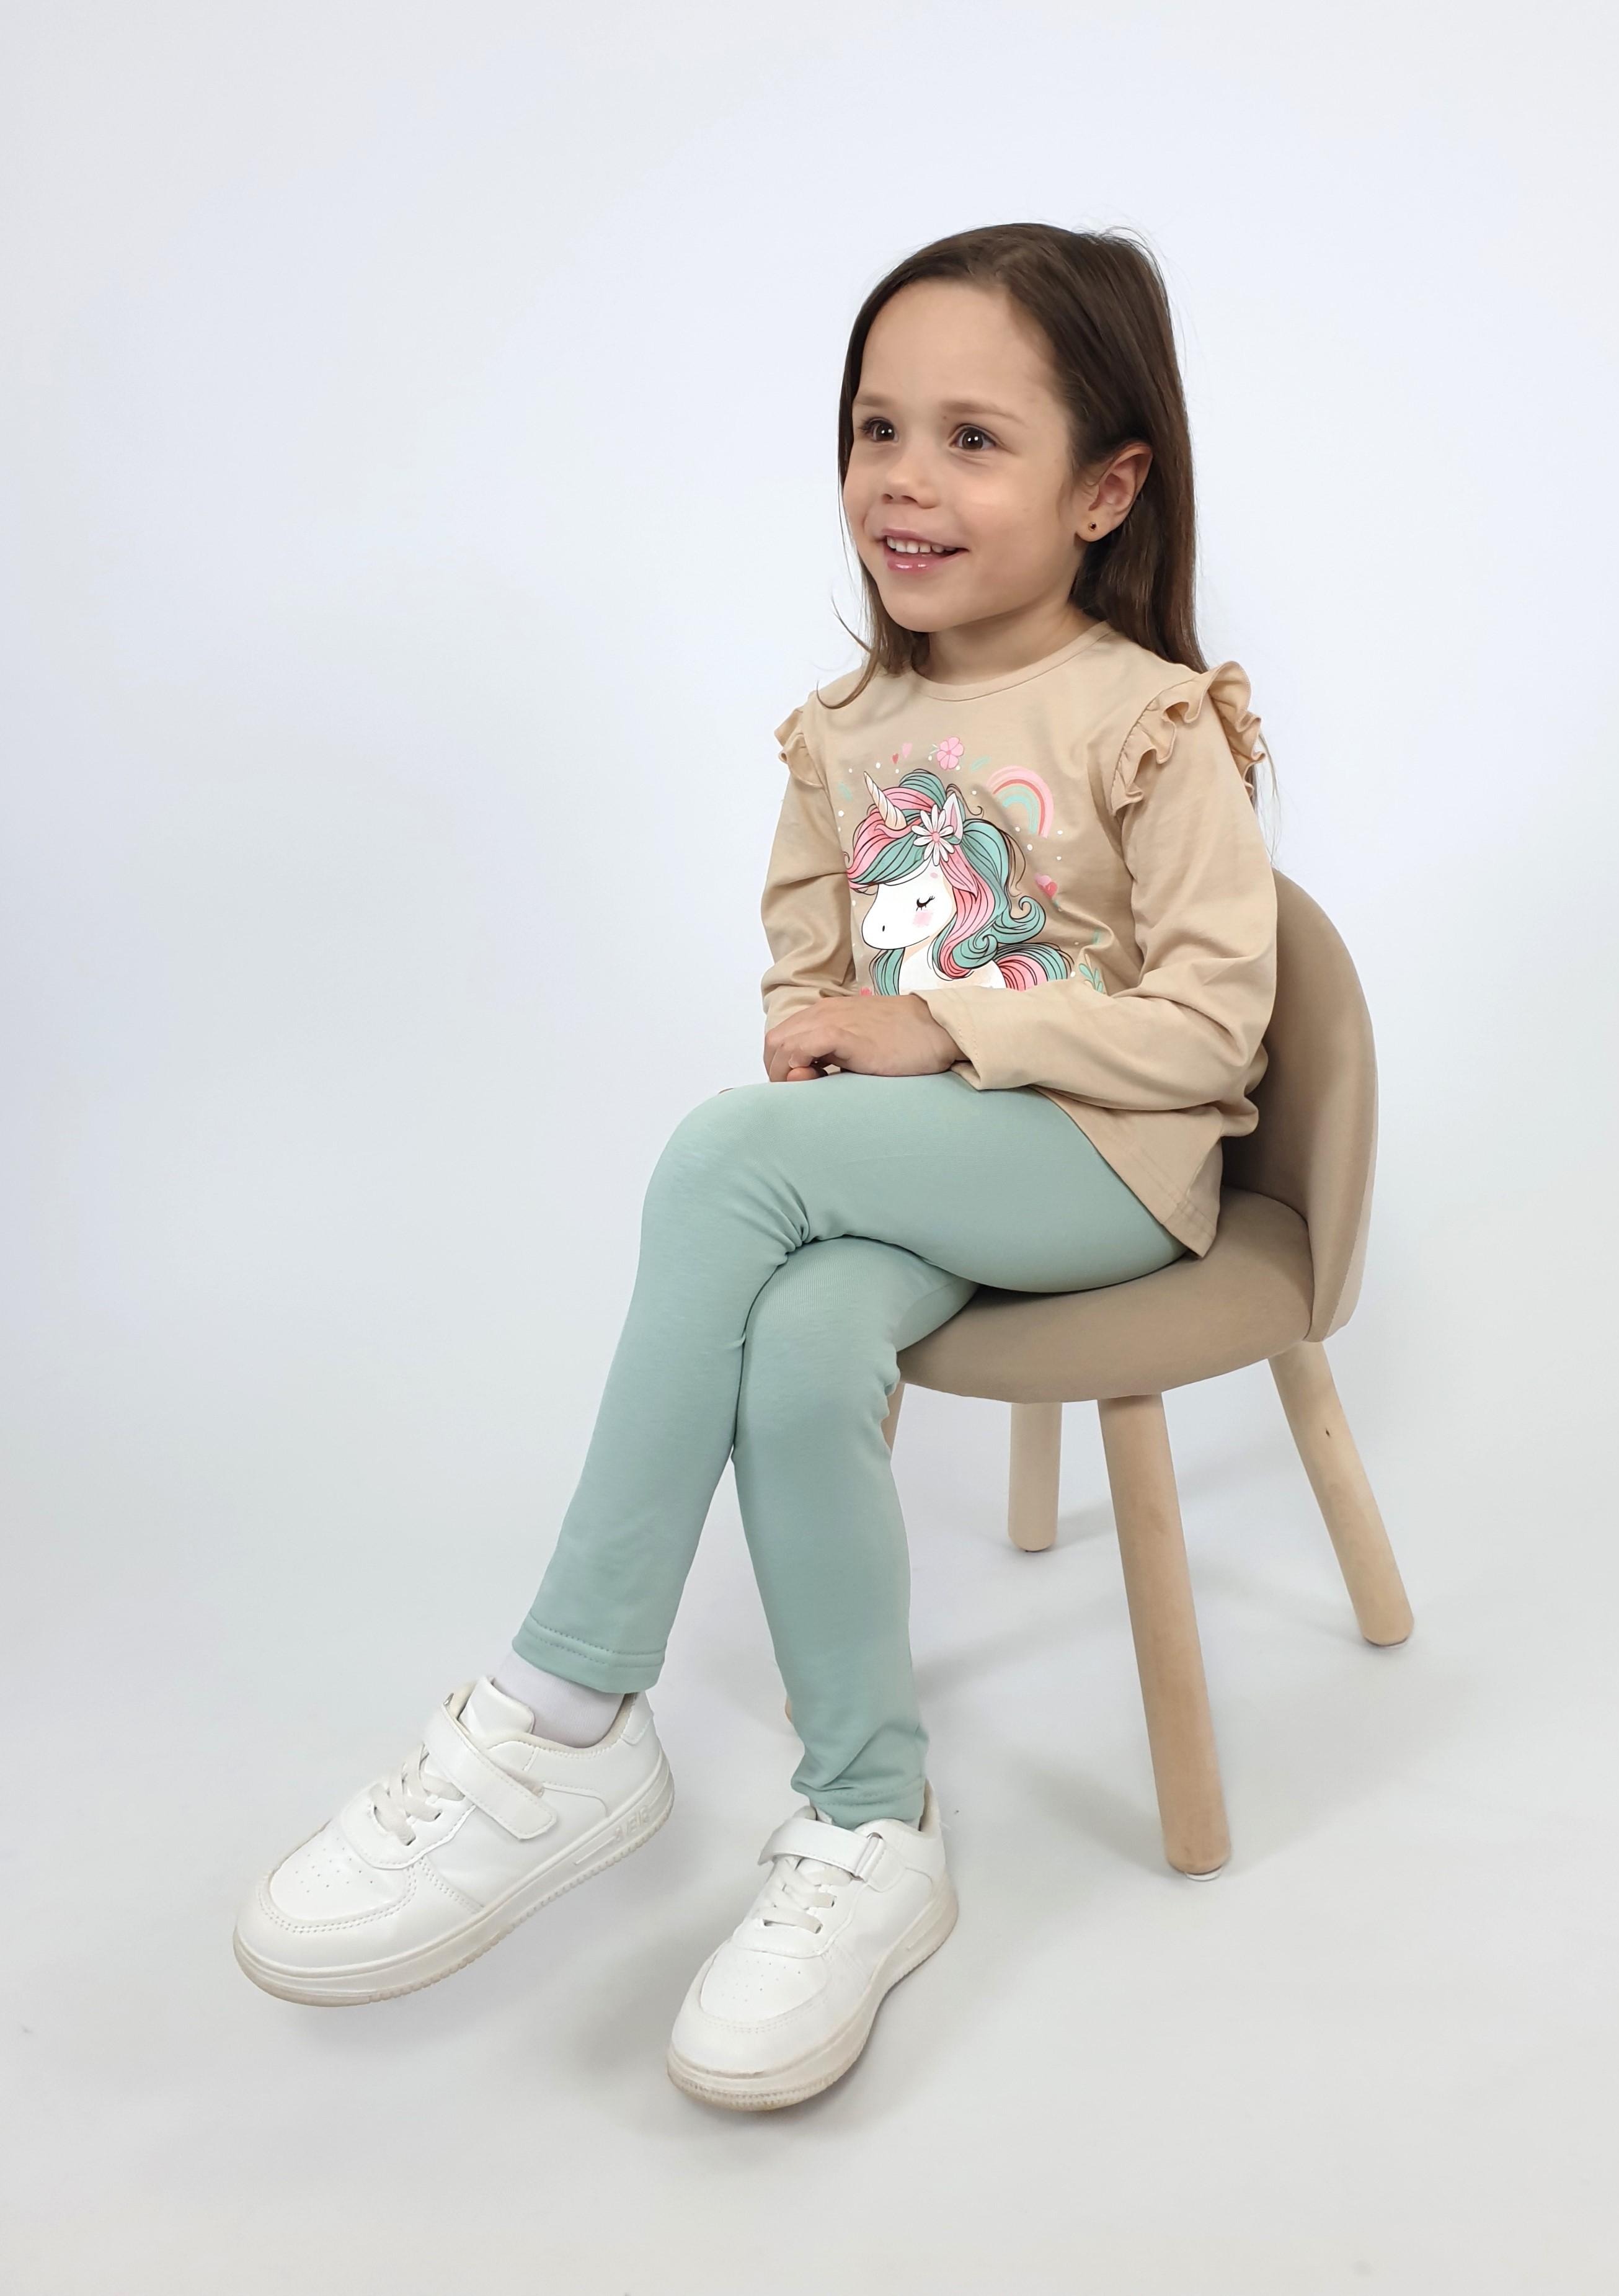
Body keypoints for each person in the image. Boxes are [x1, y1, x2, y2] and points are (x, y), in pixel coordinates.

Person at [233, 220, 1280, 2112]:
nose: (905, 478)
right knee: (799, 1349)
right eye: (879, 427)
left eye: (974, 438)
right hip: (931, 1163)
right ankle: (874, 1824)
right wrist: (843, 1046)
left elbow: (1213, 1036)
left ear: (1107, 489)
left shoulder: (1150, 721)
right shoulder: (845, 735)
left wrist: (937, 1032)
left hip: (1108, 1167)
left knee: (725, 1158)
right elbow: (811, 985)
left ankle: (563, 1710)